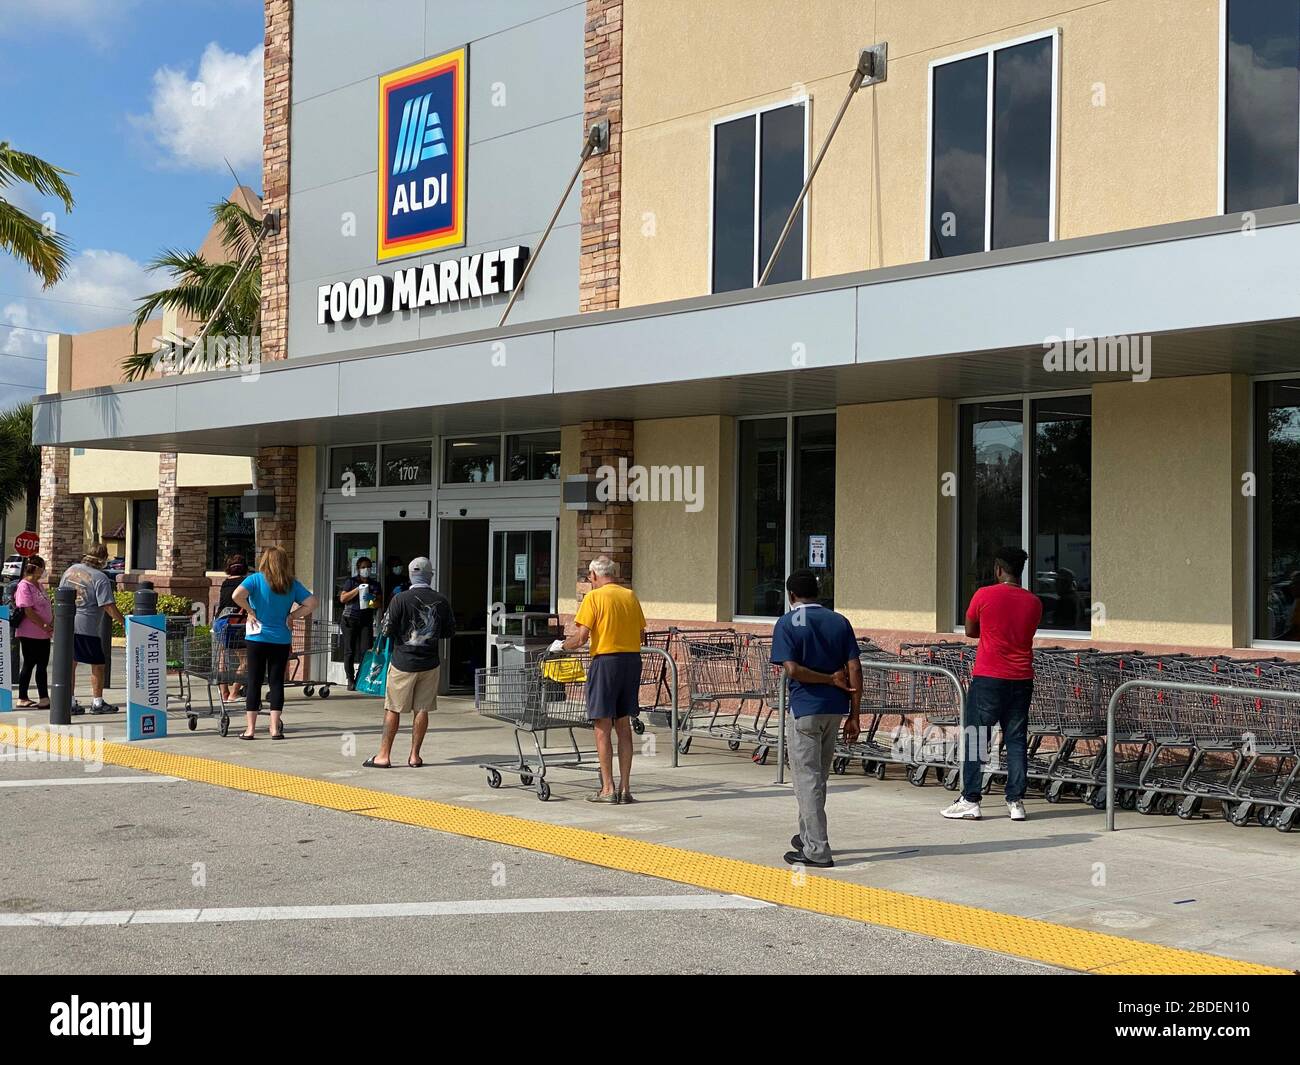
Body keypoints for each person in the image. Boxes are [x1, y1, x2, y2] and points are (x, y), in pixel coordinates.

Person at [943, 545, 1042, 822]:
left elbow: (971, 630)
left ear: (998, 570)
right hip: (1022, 678)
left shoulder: (983, 595)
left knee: (976, 736)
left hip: (988, 677)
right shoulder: (1034, 602)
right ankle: (1015, 801)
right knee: (1016, 739)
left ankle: (971, 799)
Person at [770, 569, 862, 868]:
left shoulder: (787, 623)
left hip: (805, 710)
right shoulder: (839, 621)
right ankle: (807, 835)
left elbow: (793, 670)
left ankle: (817, 850)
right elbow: (855, 668)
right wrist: (855, 714)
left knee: (806, 780)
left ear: (791, 596)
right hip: (835, 710)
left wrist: (826, 679)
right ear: (817, 593)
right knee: (817, 778)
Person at [554, 555, 646, 804]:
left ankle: (607, 789)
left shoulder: (594, 597)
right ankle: (626, 789)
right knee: (623, 726)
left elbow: (581, 637)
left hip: (606, 663)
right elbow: (641, 634)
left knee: (602, 727)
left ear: (594, 576)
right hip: (631, 662)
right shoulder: (630, 596)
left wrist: (561, 645)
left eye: (589, 578)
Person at [364, 557, 454, 769]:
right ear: (430, 576)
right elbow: (449, 631)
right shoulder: (441, 601)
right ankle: (415, 756)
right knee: (422, 709)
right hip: (430, 663)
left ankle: (384, 756)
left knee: (392, 708)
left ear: (410, 575)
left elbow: (386, 629)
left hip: (403, 662)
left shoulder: (400, 599)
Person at [231, 546, 317, 740]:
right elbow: (312, 603)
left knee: (254, 681)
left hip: (257, 638)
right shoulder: (291, 583)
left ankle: (250, 729)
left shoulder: (254, 579)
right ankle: (274, 729)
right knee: (276, 682)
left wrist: (250, 611)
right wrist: (293, 615)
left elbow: (236, 595)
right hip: (281, 639)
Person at [59, 543, 125, 715]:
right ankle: (97, 702)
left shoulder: (70, 571)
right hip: (86, 626)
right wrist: (124, 622)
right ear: (103, 559)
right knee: (98, 665)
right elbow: (108, 605)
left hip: (66, 624)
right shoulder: (100, 577)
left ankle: (70, 701)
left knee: (70, 664)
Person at [14, 555, 53, 709]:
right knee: (29, 664)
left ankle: (44, 698)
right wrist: (43, 624)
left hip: (44, 633)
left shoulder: (39, 585)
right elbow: (28, 611)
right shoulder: (24, 586)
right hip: (30, 632)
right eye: (42, 567)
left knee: (42, 665)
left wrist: (50, 622)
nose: (44, 571)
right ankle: (22, 697)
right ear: (36, 568)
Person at [338, 555, 382, 691]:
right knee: (349, 651)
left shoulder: (375, 584)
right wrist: (357, 590)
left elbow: (379, 603)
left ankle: (360, 678)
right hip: (349, 620)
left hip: (365, 621)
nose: (366, 569)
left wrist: (371, 598)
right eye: (363, 567)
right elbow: (343, 598)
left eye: (368, 567)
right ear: (358, 569)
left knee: (365, 651)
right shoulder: (351, 581)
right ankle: (350, 679)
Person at [214, 555, 248, 703]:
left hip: (220, 622)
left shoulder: (225, 583)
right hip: (236, 623)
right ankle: (234, 693)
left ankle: (224, 694)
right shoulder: (246, 582)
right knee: (245, 660)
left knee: (222, 659)